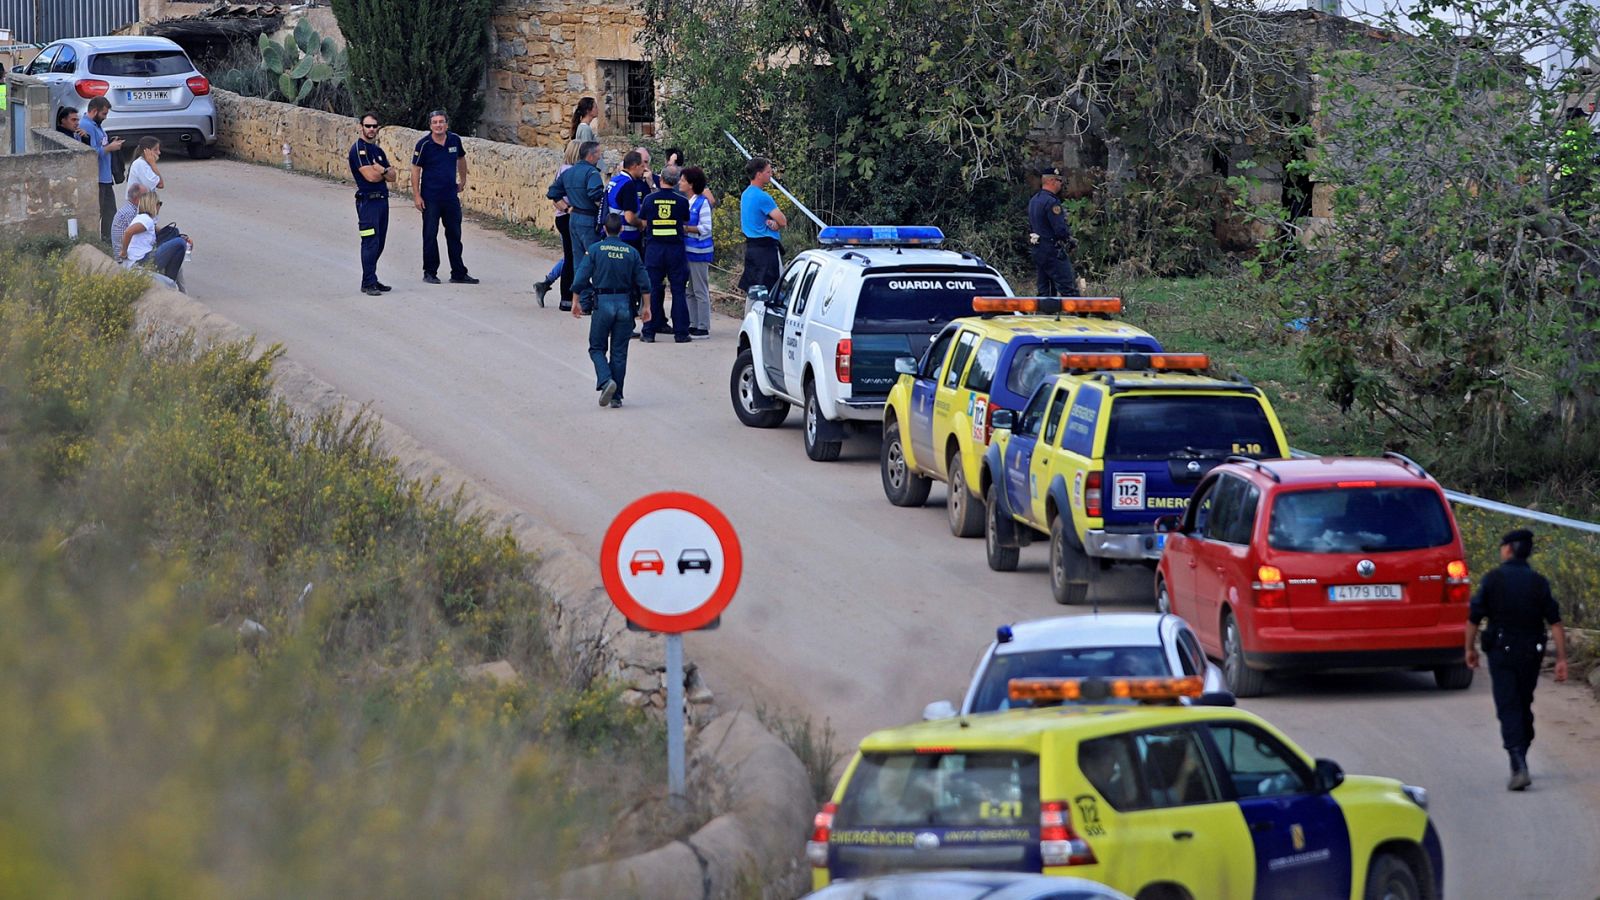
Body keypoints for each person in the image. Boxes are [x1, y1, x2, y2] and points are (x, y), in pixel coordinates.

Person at [1466, 529, 1569, 791]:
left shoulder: (1493, 579)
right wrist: (1561, 658)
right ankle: (1522, 748)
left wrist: (1469, 648)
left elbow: (1474, 618)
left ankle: (1517, 760)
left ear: (1508, 549)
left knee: (1508, 705)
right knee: (1523, 702)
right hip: (1530, 653)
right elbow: (1555, 622)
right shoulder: (1538, 582)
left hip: (1502, 652)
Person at [571, 214, 651, 408]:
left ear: (604, 229)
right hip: (625, 304)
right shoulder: (631, 252)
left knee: (597, 348)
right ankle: (616, 397)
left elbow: (581, 277)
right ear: (621, 230)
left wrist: (576, 301)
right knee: (619, 352)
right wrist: (647, 307)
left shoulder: (595, 250)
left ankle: (607, 380)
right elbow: (644, 283)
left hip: (603, 303)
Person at [410, 109, 478, 285]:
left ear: (447, 124)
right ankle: (430, 272)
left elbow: (461, 159)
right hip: (431, 197)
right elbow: (415, 170)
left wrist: (463, 180)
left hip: (450, 197)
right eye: (435, 122)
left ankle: (458, 272)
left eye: (441, 122)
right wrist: (417, 195)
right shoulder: (423, 144)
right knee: (430, 234)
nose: (438, 125)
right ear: (430, 125)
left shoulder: (454, 140)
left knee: (455, 234)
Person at [549, 140, 606, 312]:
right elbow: (596, 195)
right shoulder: (592, 173)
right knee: (595, 260)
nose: (600, 157)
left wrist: (567, 208)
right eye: (598, 154)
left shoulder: (569, 172)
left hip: (573, 218)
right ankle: (596, 299)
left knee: (579, 261)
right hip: (588, 219)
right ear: (591, 155)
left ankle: (584, 301)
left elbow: (553, 193)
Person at [640, 164, 692, 344]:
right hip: (675, 250)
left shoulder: (649, 199)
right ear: (677, 181)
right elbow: (685, 219)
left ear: (660, 179)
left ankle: (648, 332)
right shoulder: (682, 200)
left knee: (652, 290)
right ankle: (681, 333)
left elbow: (644, 220)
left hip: (654, 250)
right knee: (678, 291)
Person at [349, 112, 396, 296]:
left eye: (374, 126)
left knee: (379, 243)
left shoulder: (378, 151)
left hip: (382, 202)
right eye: (368, 126)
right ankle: (368, 283)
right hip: (367, 203)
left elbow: (392, 176)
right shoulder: (359, 150)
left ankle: (371, 278)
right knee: (370, 242)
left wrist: (382, 169)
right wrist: (382, 172)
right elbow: (370, 176)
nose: (371, 129)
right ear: (361, 127)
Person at [542, 140, 582, 309]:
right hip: (567, 218)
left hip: (562, 217)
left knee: (571, 256)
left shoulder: (563, 169)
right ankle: (566, 296)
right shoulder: (570, 171)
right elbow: (555, 196)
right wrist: (569, 210)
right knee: (571, 257)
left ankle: (565, 292)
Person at [738, 157, 786, 299]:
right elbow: (783, 221)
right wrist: (776, 224)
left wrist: (774, 223)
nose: (770, 175)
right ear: (759, 174)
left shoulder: (746, 194)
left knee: (754, 290)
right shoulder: (762, 197)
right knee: (770, 291)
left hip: (752, 248)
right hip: (766, 250)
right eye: (768, 172)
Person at [1027, 167, 1079, 297]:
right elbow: (1059, 229)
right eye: (1059, 181)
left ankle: (1045, 314)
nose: (1061, 184)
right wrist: (1068, 240)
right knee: (1068, 288)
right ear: (1051, 181)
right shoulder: (1051, 202)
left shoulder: (1034, 200)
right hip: (1052, 250)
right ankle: (1080, 314)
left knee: (1045, 290)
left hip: (1038, 248)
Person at [81, 97, 125, 245]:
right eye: (104, 114)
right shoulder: (87, 126)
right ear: (94, 111)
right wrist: (109, 148)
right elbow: (90, 152)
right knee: (100, 214)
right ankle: (97, 245)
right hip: (98, 178)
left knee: (110, 214)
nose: (105, 117)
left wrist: (111, 143)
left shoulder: (95, 125)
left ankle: (107, 245)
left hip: (105, 177)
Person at [120, 191, 190, 284]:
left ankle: (170, 280)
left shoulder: (144, 219)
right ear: (153, 205)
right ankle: (170, 279)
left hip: (142, 258)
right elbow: (128, 232)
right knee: (180, 243)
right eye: (159, 204)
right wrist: (124, 252)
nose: (160, 207)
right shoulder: (146, 220)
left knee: (178, 243)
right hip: (141, 260)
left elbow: (161, 232)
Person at [681, 165, 714, 338]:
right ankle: (693, 323)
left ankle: (703, 325)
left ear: (692, 184)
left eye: (683, 180)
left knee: (700, 290)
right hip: (687, 252)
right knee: (690, 290)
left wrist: (686, 229)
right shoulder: (687, 202)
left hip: (699, 252)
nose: (680, 183)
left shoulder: (702, 203)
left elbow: (706, 228)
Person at [606, 149, 651, 250]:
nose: (644, 169)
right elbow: (629, 217)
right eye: (642, 166)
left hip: (614, 233)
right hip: (628, 237)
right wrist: (641, 224)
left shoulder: (615, 180)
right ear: (634, 166)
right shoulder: (628, 185)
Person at [110, 183, 147, 263]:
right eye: (146, 196)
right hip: (125, 259)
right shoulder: (130, 213)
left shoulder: (130, 209)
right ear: (137, 199)